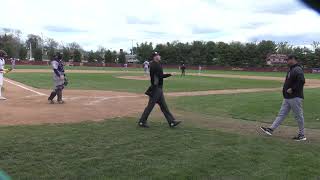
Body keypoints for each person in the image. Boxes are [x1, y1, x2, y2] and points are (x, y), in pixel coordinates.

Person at [260, 55, 306, 141]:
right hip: (288, 97)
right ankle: (271, 129)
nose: (287, 61)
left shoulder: (297, 69)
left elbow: (302, 81)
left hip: (295, 97)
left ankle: (302, 135)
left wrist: (293, 89)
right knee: (281, 114)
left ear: (293, 59)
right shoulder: (291, 69)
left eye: (288, 60)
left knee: (298, 116)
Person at [138, 52, 181, 128]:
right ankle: (142, 122)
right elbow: (160, 76)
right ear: (155, 57)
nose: (159, 56)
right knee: (150, 106)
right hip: (156, 89)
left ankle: (171, 122)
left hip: (158, 88)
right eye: (158, 55)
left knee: (164, 106)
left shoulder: (156, 64)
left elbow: (159, 75)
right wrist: (170, 74)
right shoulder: (155, 65)